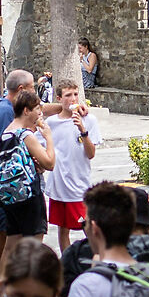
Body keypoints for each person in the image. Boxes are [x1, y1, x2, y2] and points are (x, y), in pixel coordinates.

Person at [0, 85, 55, 281]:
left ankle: (7, 287)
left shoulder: (5, 135)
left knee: (11, 244)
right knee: (34, 244)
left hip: (8, 198)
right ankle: (32, 289)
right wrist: (49, 137)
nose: (40, 113)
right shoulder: (26, 135)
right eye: (37, 109)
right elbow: (49, 163)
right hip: (29, 196)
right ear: (26, 110)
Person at [42, 78, 100, 253]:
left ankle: (96, 259)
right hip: (59, 183)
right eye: (68, 95)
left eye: (76, 94)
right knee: (62, 228)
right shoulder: (51, 124)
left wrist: (83, 131)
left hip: (80, 183)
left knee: (88, 226)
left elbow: (91, 154)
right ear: (59, 98)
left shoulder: (89, 120)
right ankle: (67, 263)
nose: (73, 99)